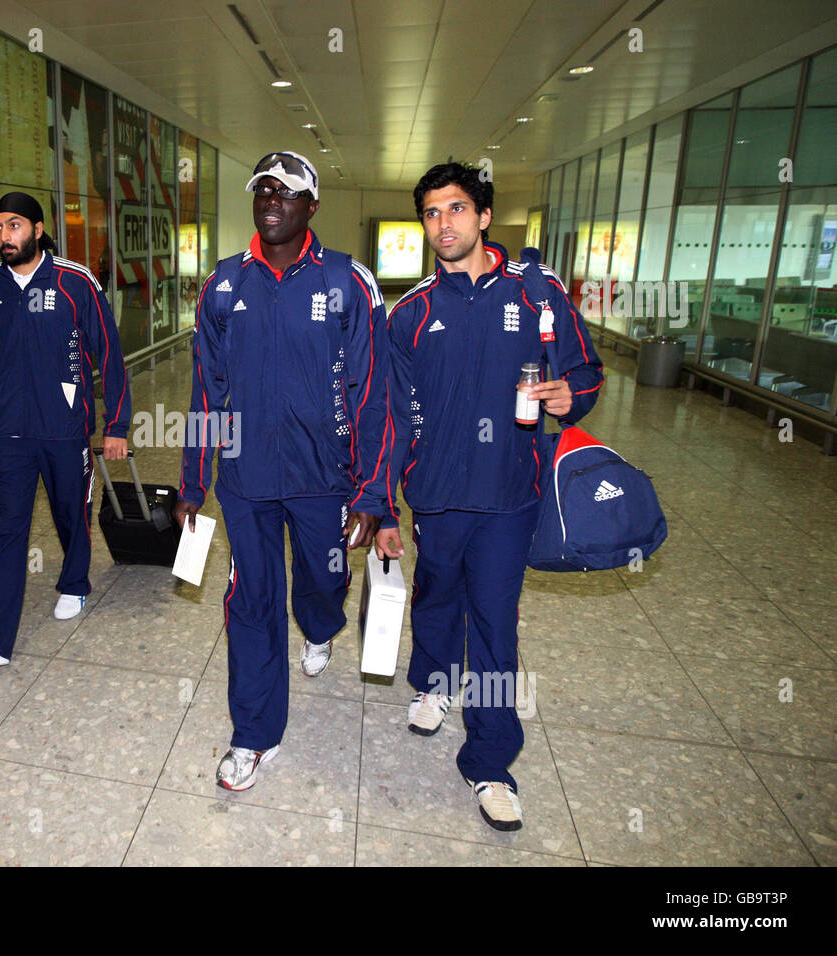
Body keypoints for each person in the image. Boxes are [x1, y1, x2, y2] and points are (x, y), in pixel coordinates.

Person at [375, 162, 604, 831]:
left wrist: (573, 395)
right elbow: (390, 416)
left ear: (482, 216)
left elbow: (585, 371)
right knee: (436, 596)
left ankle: (491, 763)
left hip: (511, 495)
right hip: (438, 496)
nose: (442, 224)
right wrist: (383, 504)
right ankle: (434, 683)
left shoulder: (537, 296)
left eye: (455, 209)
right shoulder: (410, 314)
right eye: (430, 213)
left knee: (496, 629)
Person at [174, 151, 390, 791]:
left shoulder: (350, 283)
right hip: (246, 480)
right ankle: (253, 734)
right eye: (263, 190)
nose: (271, 199)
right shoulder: (222, 285)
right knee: (251, 599)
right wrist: (193, 482)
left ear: (312, 206)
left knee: (321, 584)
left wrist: (374, 491)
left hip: (327, 477)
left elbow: (373, 390)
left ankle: (321, 626)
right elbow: (206, 393)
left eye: (287, 191)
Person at [0, 192, 130, 672]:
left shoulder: (75, 281)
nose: (5, 237)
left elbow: (108, 352)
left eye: (14, 226)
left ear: (37, 228)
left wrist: (117, 424)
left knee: (72, 513)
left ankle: (74, 583)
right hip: (8, 432)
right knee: (7, 529)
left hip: (64, 427)